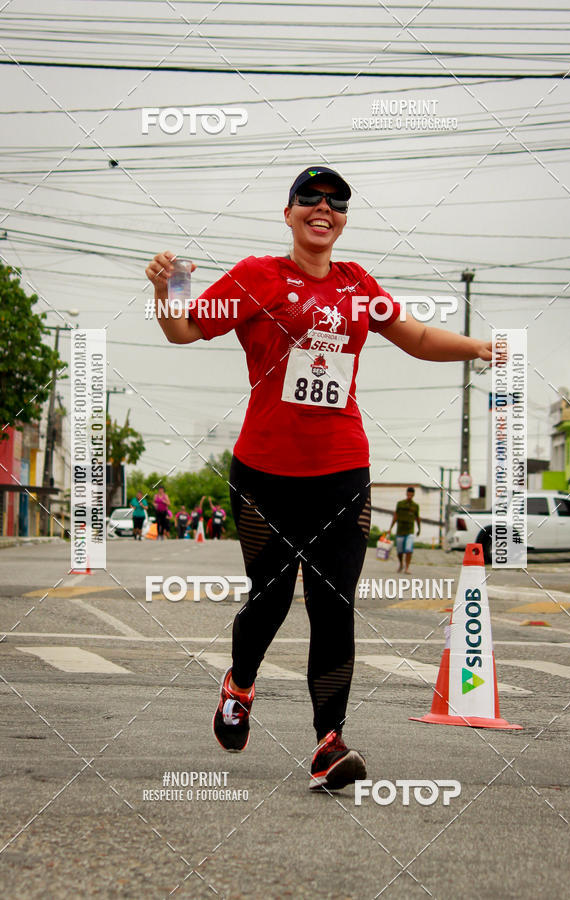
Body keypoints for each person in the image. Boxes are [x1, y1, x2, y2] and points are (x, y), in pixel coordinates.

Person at [145, 164, 492, 792]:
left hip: (342, 471)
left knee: (335, 606)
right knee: (272, 598)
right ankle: (240, 684)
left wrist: (478, 348)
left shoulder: (358, 284)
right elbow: (185, 329)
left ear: (344, 219)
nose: (322, 208)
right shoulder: (256, 277)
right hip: (263, 476)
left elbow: (413, 336)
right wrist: (166, 292)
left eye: (336, 201)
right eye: (309, 198)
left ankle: (330, 743)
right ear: (289, 214)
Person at [389, 486, 421, 574]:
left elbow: (417, 518)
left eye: (412, 493)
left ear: (413, 494)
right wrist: (390, 528)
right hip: (400, 530)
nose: (410, 495)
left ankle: (407, 568)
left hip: (410, 531)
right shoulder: (400, 504)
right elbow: (395, 516)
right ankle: (401, 564)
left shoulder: (415, 506)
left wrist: (419, 529)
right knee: (399, 551)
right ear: (406, 493)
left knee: (408, 549)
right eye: (409, 493)